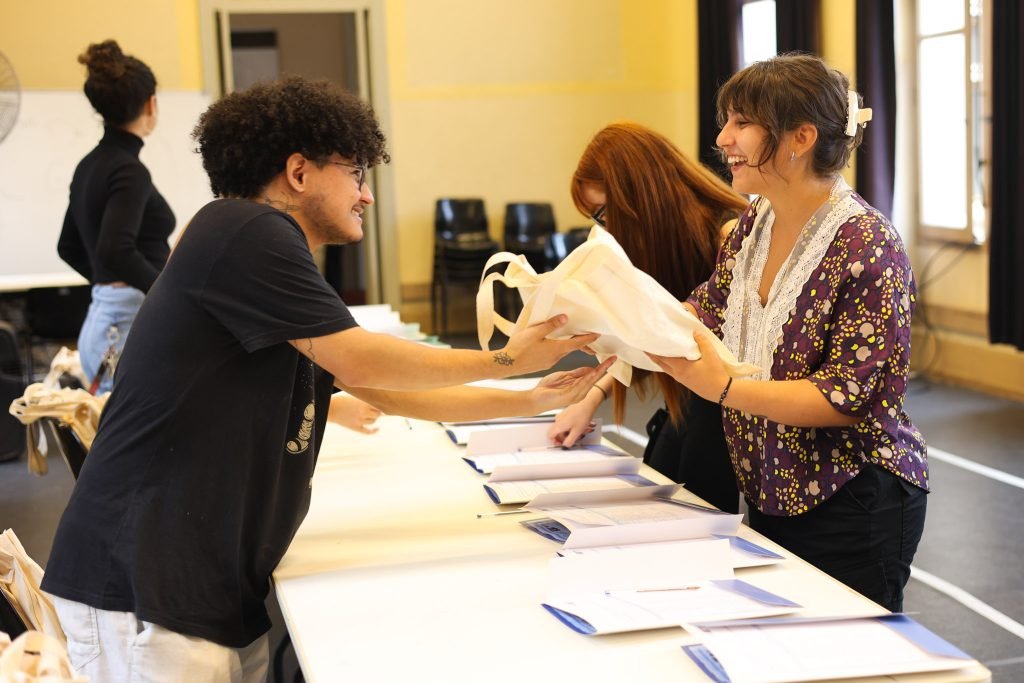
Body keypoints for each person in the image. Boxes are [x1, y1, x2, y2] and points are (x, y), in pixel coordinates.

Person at [41, 76, 609, 683]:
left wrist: (525, 398)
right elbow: (363, 360)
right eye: (356, 174)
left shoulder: (246, 242)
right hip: (147, 586)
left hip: (193, 583)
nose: (365, 196)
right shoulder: (248, 232)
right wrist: (505, 360)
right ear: (299, 172)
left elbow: (382, 389)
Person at [648, 54, 928, 613]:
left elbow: (848, 396)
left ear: (800, 137)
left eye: (741, 122)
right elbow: (708, 306)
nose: (723, 137)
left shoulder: (868, 246)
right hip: (773, 493)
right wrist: (616, 324)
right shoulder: (757, 221)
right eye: (726, 119)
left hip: (853, 500)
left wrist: (724, 388)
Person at [548, 122, 747, 512]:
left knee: (687, 506)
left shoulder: (729, 234)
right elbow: (652, 335)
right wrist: (590, 397)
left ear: (637, 192)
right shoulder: (664, 241)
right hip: (696, 397)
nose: (605, 229)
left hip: (728, 403)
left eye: (604, 213)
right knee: (660, 485)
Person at [57, 40, 172, 393]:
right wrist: (167, 294)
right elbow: (115, 250)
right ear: (150, 103)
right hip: (124, 324)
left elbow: (68, 247)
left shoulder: (88, 166)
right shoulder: (128, 171)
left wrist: (107, 284)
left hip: (105, 318)